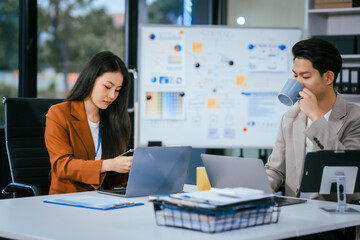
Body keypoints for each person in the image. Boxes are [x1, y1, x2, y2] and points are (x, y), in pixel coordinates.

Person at [265, 38, 360, 201]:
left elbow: (348, 171)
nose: (298, 83)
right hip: (294, 212)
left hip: (335, 215)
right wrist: (264, 186)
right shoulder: (290, 118)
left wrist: (316, 118)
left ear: (328, 77)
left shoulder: (355, 117)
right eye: (295, 76)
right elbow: (275, 169)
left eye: (305, 76)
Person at [45, 51, 132, 194]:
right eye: (107, 87)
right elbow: (62, 166)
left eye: (117, 90)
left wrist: (134, 170)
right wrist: (108, 164)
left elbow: (113, 179)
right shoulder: (59, 114)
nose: (112, 96)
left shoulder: (113, 119)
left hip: (104, 201)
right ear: (91, 79)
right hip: (67, 201)